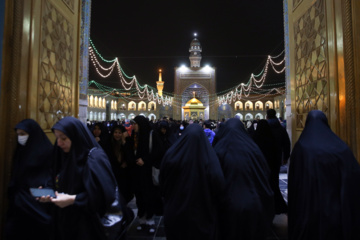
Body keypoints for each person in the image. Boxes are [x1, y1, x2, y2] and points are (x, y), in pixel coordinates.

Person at [41, 116, 118, 240]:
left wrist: (73, 199)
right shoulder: (62, 154)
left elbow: (104, 195)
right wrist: (49, 192)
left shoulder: (94, 158)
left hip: (87, 226)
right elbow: (55, 176)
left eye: (64, 138)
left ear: (76, 137)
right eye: (57, 138)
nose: (59, 143)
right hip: (63, 223)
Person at [288, 110, 360, 240]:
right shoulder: (340, 147)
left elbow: (295, 182)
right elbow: (353, 177)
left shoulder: (302, 147)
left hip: (309, 209)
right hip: (335, 208)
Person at [160, 124, 226, 240]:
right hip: (202, 214)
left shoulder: (171, 154)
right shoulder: (209, 157)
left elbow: (162, 182)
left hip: (175, 212)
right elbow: (218, 184)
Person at [212, 118, 274, 240]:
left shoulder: (220, 149)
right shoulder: (253, 149)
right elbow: (265, 173)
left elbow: (214, 177)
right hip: (255, 203)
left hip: (228, 205)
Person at [4, 119, 54, 240]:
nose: (20, 138)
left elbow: (51, 177)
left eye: (23, 134)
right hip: (20, 204)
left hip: (38, 204)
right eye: (18, 135)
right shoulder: (21, 150)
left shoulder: (46, 151)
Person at [252, 119, 287, 215]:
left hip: (259, 168)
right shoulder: (272, 137)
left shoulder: (255, 137)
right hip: (272, 166)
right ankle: (276, 207)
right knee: (273, 185)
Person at [129, 115, 156, 233]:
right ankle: (142, 218)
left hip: (148, 171)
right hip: (137, 171)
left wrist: (145, 160)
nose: (133, 126)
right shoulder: (134, 137)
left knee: (148, 194)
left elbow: (157, 152)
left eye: (135, 124)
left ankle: (150, 218)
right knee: (139, 194)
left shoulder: (151, 136)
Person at [105, 124, 134, 203]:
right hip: (113, 172)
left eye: (119, 133)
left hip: (124, 173)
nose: (117, 135)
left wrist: (124, 142)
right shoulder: (109, 143)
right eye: (115, 132)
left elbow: (130, 157)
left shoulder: (127, 142)